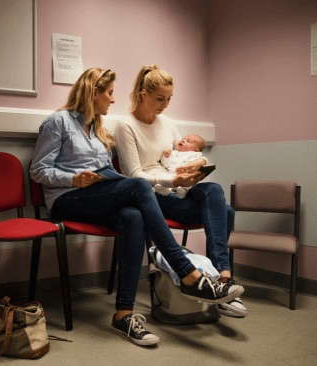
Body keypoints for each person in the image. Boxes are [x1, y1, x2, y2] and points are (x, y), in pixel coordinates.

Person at [29, 67, 245, 347]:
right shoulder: (58, 121)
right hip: (66, 199)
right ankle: (186, 273)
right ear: (94, 92)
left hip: (97, 194)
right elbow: (38, 170)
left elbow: (106, 171)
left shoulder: (97, 128)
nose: (113, 99)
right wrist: (72, 177)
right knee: (140, 186)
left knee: (133, 217)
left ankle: (123, 313)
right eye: (109, 93)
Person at [114, 64, 247, 318]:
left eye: (169, 99)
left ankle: (222, 279)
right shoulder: (125, 126)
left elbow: (185, 153)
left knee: (215, 192)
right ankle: (220, 284)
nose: (165, 105)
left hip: (179, 190)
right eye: (159, 99)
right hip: (153, 195)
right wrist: (174, 181)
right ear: (143, 94)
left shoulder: (167, 123)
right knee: (226, 213)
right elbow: (134, 176)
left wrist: (199, 165)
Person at [153, 133, 207, 199]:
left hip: (185, 175)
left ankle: (183, 191)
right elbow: (166, 165)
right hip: (172, 174)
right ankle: (164, 190)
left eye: (188, 141)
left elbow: (200, 163)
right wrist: (166, 156)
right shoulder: (174, 153)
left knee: (186, 182)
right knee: (162, 176)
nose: (183, 141)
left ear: (196, 150)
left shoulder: (195, 155)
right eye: (182, 139)